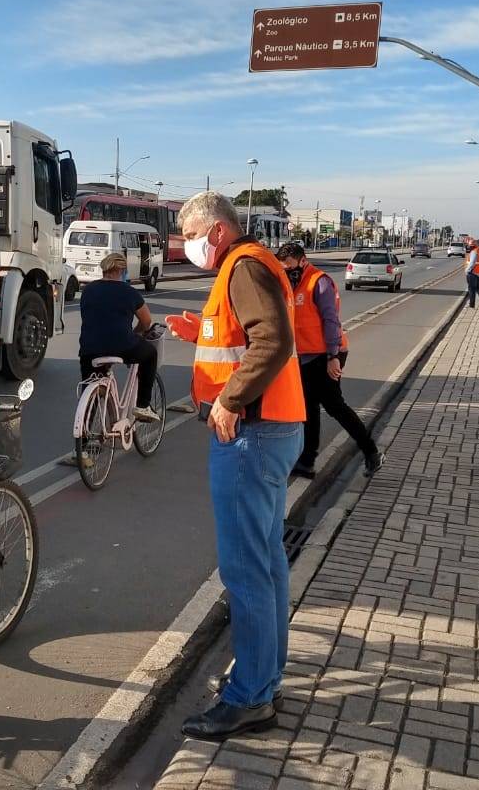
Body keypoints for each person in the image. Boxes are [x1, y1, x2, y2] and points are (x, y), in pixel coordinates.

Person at [166, 192, 305, 741]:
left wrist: (228, 400)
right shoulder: (248, 265)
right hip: (273, 430)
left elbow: (271, 339)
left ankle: (249, 697)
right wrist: (192, 332)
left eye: (193, 236)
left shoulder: (242, 266)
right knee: (266, 563)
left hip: (250, 432)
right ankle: (265, 680)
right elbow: (239, 339)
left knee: (246, 570)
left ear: (217, 231)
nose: (190, 247)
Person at [276, 242, 382, 478]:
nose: (286, 272)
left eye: (290, 267)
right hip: (303, 357)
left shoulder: (319, 282)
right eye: (282, 268)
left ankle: (371, 452)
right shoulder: (291, 285)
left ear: (303, 261)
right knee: (308, 410)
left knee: (335, 407)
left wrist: (333, 357)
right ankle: (307, 461)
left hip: (327, 354)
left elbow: (331, 321)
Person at [78, 252, 159, 424]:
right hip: (123, 346)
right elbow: (146, 321)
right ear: (122, 271)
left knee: (88, 388)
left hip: (89, 349)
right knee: (150, 353)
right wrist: (136, 333)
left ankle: (83, 444)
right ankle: (143, 405)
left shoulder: (88, 290)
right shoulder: (129, 292)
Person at [464, 238, 479, 309]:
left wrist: (467, 270)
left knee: (471, 289)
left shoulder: (474, 252)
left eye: (469, 245)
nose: (468, 247)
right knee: (478, 288)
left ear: (472, 245)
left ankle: (471, 305)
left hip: (472, 273)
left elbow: (472, 263)